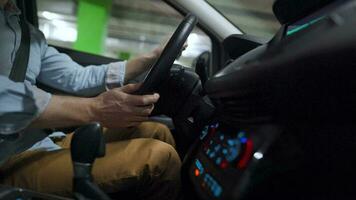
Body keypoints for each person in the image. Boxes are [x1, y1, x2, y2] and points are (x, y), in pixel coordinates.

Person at [0, 0, 181, 199]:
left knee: (156, 131)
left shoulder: (27, 34)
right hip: (6, 160)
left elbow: (78, 77)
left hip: (36, 143)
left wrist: (151, 57)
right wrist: (95, 109)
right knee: (161, 157)